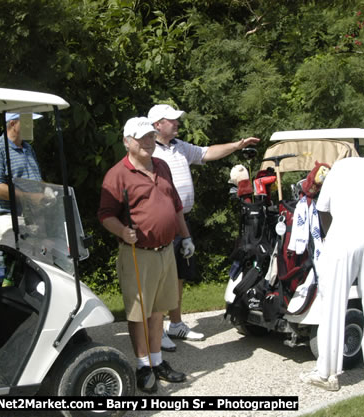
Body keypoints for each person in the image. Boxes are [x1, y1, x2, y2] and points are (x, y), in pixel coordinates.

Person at [148, 103, 261, 351]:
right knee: (160, 277)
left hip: (182, 220)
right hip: (161, 222)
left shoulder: (180, 147)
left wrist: (238, 145)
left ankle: (176, 323)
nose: (177, 123)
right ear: (158, 125)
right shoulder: (149, 150)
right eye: (172, 120)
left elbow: (207, 152)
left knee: (178, 275)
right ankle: (156, 330)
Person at [98, 116, 194, 393]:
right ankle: (142, 366)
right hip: (137, 253)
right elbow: (105, 214)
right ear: (127, 141)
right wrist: (121, 230)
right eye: (142, 138)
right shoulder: (118, 174)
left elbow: (175, 205)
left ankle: (157, 361)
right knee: (139, 313)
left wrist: (185, 236)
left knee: (158, 312)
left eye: (151, 137)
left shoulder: (162, 166)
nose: (148, 143)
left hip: (166, 251)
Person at [300, 144, 364, 391]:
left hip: (343, 232)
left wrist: (329, 239)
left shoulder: (342, 166)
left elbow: (323, 208)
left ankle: (326, 374)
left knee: (332, 303)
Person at [0, 112, 46, 245]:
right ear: (13, 124)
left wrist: (47, 192)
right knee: (18, 265)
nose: (33, 126)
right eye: (28, 122)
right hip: (13, 222)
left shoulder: (28, 148)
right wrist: (31, 197)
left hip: (36, 221)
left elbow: (36, 181)